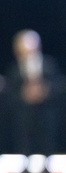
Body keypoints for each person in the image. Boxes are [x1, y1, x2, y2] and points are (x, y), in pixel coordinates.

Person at [7, 29, 62, 157]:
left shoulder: (49, 64)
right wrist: (25, 94)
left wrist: (44, 91)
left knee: (47, 143)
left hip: (46, 111)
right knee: (25, 144)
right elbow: (11, 91)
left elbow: (57, 86)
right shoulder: (15, 69)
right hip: (25, 114)